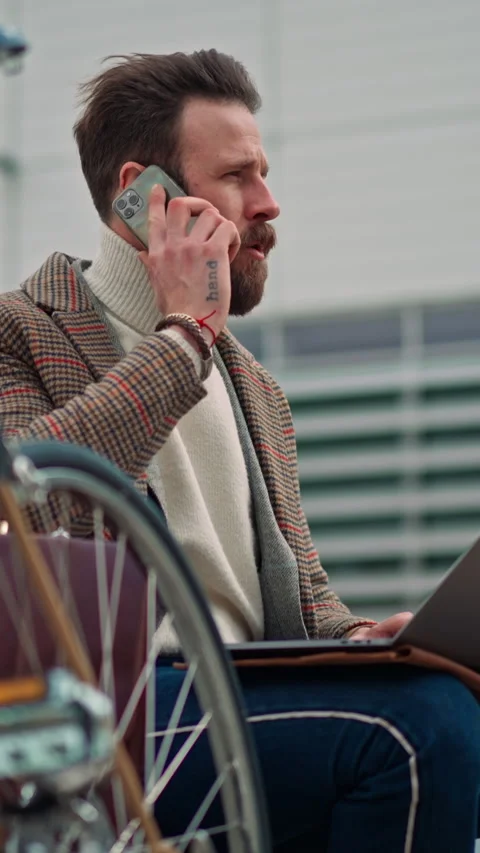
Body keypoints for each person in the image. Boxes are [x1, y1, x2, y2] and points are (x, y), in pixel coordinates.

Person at [0, 50, 479, 851]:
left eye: (264, 173)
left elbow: (300, 601)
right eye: (236, 176)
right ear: (143, 196)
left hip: (243, 696)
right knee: (418, 731)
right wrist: (184, 336)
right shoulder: (18, 331)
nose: (268, 202)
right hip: (102, 712)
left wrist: (362, 643)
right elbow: (30, 502)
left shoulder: (255, 388)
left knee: (443, 705)